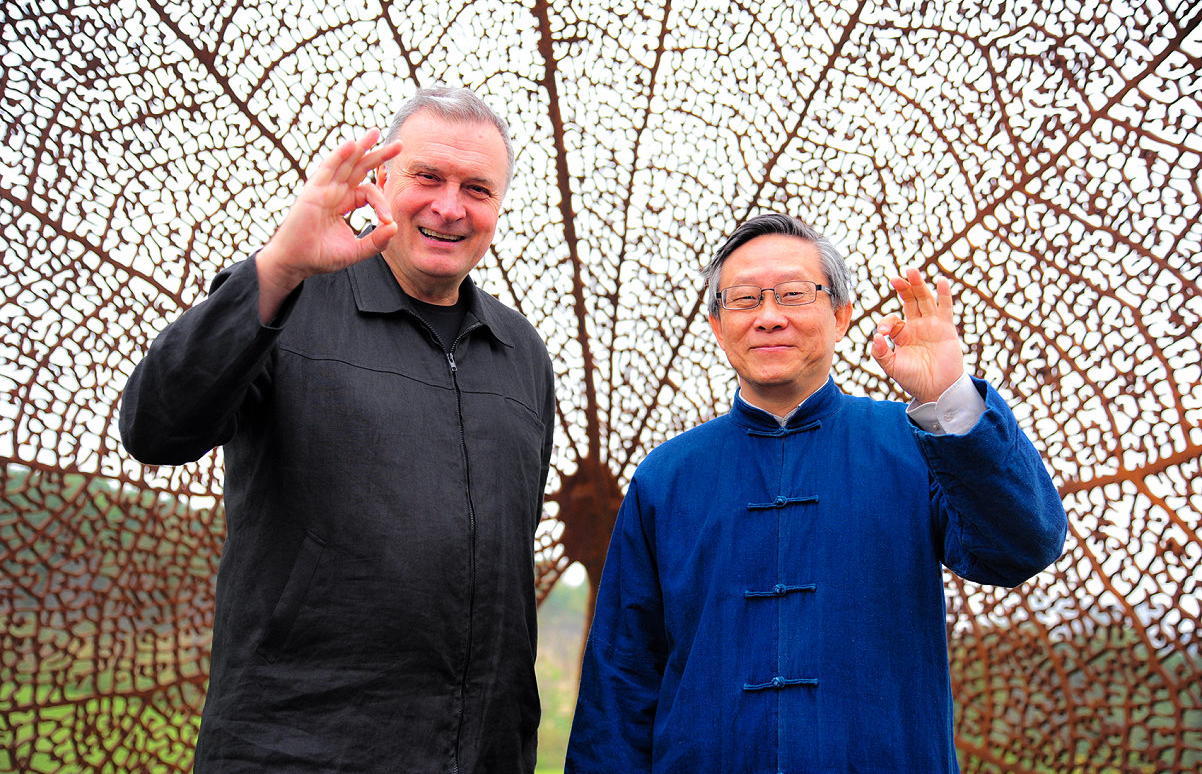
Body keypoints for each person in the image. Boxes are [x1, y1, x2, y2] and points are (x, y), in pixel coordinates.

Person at [120, 87, 556, 773]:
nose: (450, 207)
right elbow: (156, 428)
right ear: (382, 180)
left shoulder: (520, 352)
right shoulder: (286, 301)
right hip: (296, 749)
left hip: (480, 754)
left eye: (477, 188)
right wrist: (279, 266)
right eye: (428, 178)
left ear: (498, 207)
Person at [565, 213, 1066, 773]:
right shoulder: (665, 476)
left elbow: (1023, 545)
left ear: (841, 315)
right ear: (716, 324)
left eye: (794, 295)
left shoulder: (916, 443)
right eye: (746, 299)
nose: (769, 317)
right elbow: (621, 682)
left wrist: (949, 397)